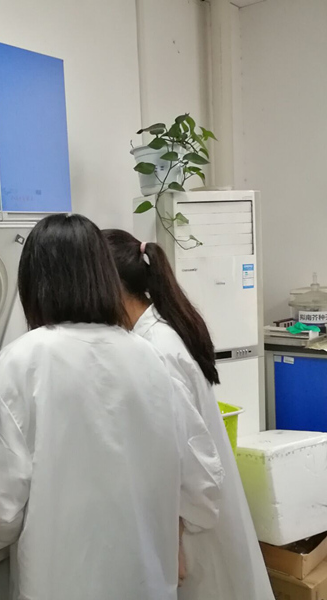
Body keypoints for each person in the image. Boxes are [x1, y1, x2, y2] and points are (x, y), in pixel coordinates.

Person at [0, 214, 224, 600]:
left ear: (32, 284)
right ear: (105, 276)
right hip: (145, 586)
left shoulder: (20, 364)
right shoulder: (150, 357)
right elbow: (203, 491)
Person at [103, 229, 273, 600]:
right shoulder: (158, 331)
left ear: (111, 287)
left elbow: (192, 467)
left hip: (194, 533)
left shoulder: (155, 350)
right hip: (195, 522)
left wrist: (175, 541)